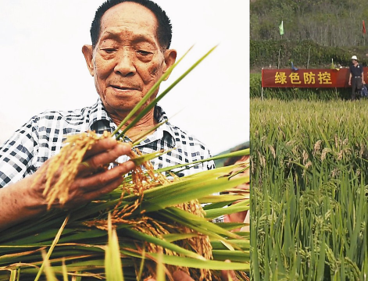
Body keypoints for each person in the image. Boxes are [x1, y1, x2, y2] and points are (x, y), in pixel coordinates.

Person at [0, 0, 231, 280]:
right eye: (109, 49)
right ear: (90, 58)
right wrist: (34, 193)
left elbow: (219, 259)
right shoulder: (44, 131)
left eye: (143, 52)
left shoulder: (196, 157)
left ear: (167, 64)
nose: (124, 66)